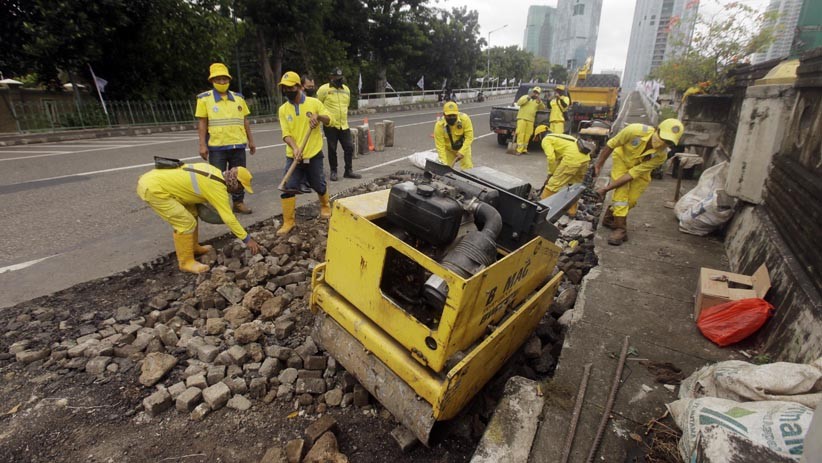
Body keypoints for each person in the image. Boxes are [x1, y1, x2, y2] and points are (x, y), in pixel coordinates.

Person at [137, 163, 260, 274]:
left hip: (163, 184)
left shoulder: (215, 171)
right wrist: (247, 239)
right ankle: (185, 262)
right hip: (155, 189)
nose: (239, 190)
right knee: (185, 223)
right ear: (235, 182)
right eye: (240, 187)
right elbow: (229, 218)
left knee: (193, 213)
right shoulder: (217, 187)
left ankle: (193, 247)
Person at [593, 119, 685, 245]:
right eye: (662, 137)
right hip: (622, 160)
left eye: (668, 142)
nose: (663, 143)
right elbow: (611, 144)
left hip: (638, 171)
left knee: (631, 200)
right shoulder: (634, 130)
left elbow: (632, 174)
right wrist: (599, 164)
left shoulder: (660, 156)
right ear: (657, 129)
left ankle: (609, 218)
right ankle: (620, 228)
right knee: (621, 195)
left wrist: (606, 189)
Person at [277, 71, 334, 236]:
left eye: (291, 87)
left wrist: (319, 117)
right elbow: (286, 133)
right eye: (285, 88)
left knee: (318, 184)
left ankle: (325, 206)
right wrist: (295, 148)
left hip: (313, 153)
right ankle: (288, 221)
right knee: (288, 187)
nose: (288, 90)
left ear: (299, 87)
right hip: (294, 155)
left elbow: (330, 119)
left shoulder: (314, 103)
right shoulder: (283, 109)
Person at [195, 63, 256, 215]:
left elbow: (245, 120)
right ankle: (219, 206)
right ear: (212, 81)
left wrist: (251, 140)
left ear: (229, 80)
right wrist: (202, 145)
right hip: (217, 147)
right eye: (218, 79)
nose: (222, 82)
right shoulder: (204, 99)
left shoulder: (238, 98)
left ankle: (238, 202)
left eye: (224, 79)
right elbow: (202, 123)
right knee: (216, 179)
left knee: (238, 178)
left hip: (238, 145)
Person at [532, 125, 593, 217]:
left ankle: (540, 212)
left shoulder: (546, 140)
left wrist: (551, 173)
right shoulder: (560, 136)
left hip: (572, 159)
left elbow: (551, 158)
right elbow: (558, 159)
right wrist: (553, 172)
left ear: (539, 135)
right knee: (575, 186)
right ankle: (572, 212)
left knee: (553, 185)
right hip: (585, 158)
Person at [317, 68, 361, 181]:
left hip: (344, 124)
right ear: (331, 77)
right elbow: (318, 105)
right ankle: (333, 171)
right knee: (332, 149)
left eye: (340, 78)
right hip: (330, 125)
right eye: (336, 78)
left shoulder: (346, 89)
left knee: (349, 147)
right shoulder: (324, 89)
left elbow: (347, 105)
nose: (338, 80)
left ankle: (348, 170)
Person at [434, 101, 474, 169]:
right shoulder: (439, 125)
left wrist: (462, 151)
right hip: (449, 150)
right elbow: (440, 146)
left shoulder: (465, 119)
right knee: (445, 168)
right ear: (444, 114)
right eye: (449, 116)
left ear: (457, 113)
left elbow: (469, 137)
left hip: (463, 147)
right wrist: (443, 162)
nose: (452, 117)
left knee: (467, 167)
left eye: (454, 115)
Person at [514, 86, 546, 155]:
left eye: (537, 93)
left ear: (539, 94)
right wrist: (528, 98)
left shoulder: (537, 101)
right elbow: (519, 103)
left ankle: (524, 149)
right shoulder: (525, 97)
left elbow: (543, 108)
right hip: (522, 118)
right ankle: (519, 150)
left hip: (530, 120)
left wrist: (540, 102)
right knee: (520, 134)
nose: (535, 94)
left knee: (528, 135)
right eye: (534, 92)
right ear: (532, 92)